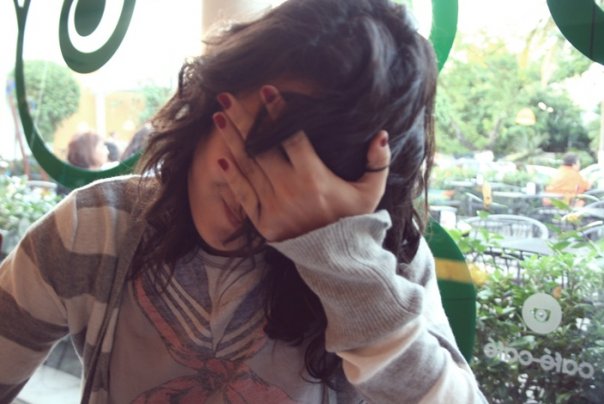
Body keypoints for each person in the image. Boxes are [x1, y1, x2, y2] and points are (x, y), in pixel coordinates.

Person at [0, 0, 486, 402]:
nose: (262, 194)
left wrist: (344, 265)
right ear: (212, 104)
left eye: (314, 183)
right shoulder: (96, 228)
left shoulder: (386, 258)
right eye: (262, 147)